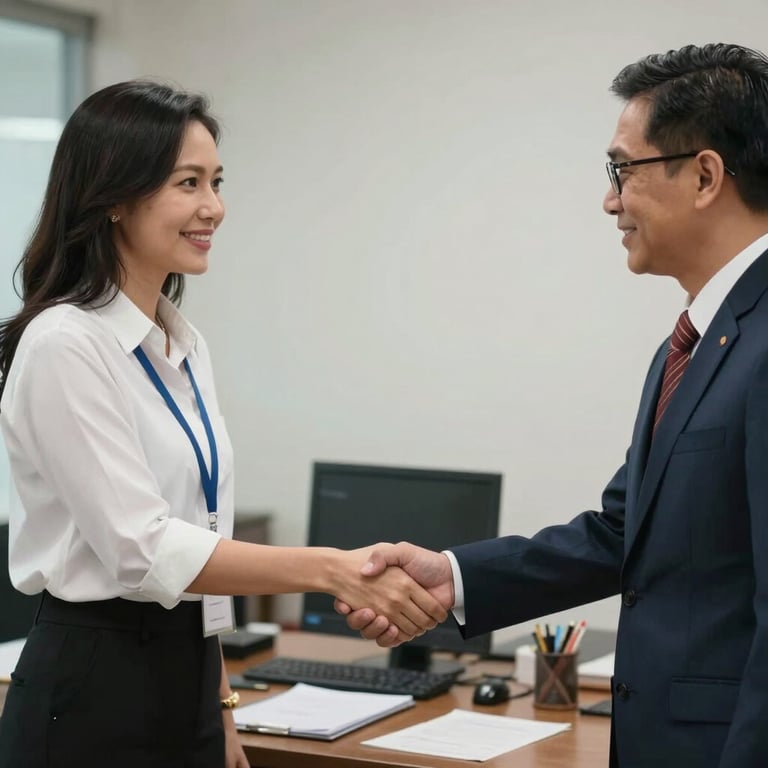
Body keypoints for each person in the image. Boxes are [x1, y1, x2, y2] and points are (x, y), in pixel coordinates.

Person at [339, 43, 768, 768]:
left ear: (704, 176)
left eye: (620, 170)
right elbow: (620, 534)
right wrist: (456, 579)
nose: (609, 199)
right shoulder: (696, 343)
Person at [0, 80, 447, 768]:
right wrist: (331, 570)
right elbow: (143, 551)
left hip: (187, 681)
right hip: (93, 685)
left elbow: (202, 537)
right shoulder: (66, 343)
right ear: (116, 196)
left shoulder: (183, 343)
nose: (214, 207)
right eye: (187, 183)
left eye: (216, 180)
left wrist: (220, 708)